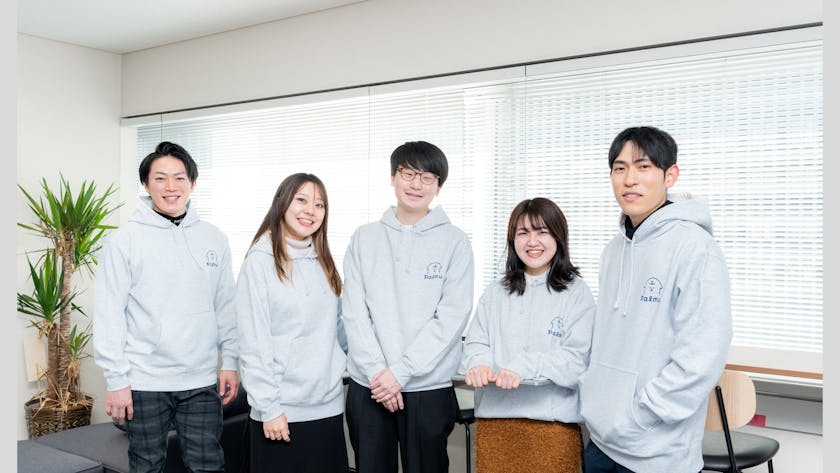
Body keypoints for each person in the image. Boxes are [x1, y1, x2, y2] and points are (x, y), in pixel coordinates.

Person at [580, 126, 732, 473]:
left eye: (644, 166)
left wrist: (641, 415)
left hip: (658, 454)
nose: (629, 179)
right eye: (619, 168)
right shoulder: (612, 251)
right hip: (601, 443)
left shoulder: (695, 248)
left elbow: (702, 356)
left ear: (670, 175)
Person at [93, 141, 239, 473]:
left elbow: (226, 306)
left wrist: (230, 361)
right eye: (160, 178)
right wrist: (117, 381)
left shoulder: (214, 238)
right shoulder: (124, 241)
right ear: (145, 185)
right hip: (144, 381)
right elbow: (109, 315)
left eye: (179, 178)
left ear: (193, 183)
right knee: (146, 466)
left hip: (200, 379)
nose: (170, 187)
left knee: (209, 465)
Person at [341, 140, 475, 473]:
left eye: (427, 177)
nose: (417, 184)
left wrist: (399, 373)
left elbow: (451, 319)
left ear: (438, 187)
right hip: (369, 385)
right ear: (393, 177)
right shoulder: (364, 238)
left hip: (427, 387)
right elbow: (354, 313)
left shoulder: (455, 242)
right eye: (408, 174)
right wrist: (379, 375)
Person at [462, 197, 596, 473]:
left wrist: (522, 367)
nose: (532, 242)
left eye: (542, 232)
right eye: (523, 233)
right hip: (495, 429)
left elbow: (575, 362)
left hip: (553, 430)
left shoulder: (576, 293)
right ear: (513, 240)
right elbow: (476, 343)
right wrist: (478, 364)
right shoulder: (496, 292)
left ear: (558, 236)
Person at [235, 173, 349, 472]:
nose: (310, 211)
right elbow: (253, 343)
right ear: (282, 203)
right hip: (280, 411)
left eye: (319, 205)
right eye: (301, 200)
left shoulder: (324, 262)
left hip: (327, 406)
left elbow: (337, 331)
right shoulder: (259, 263)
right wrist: (269, 408)